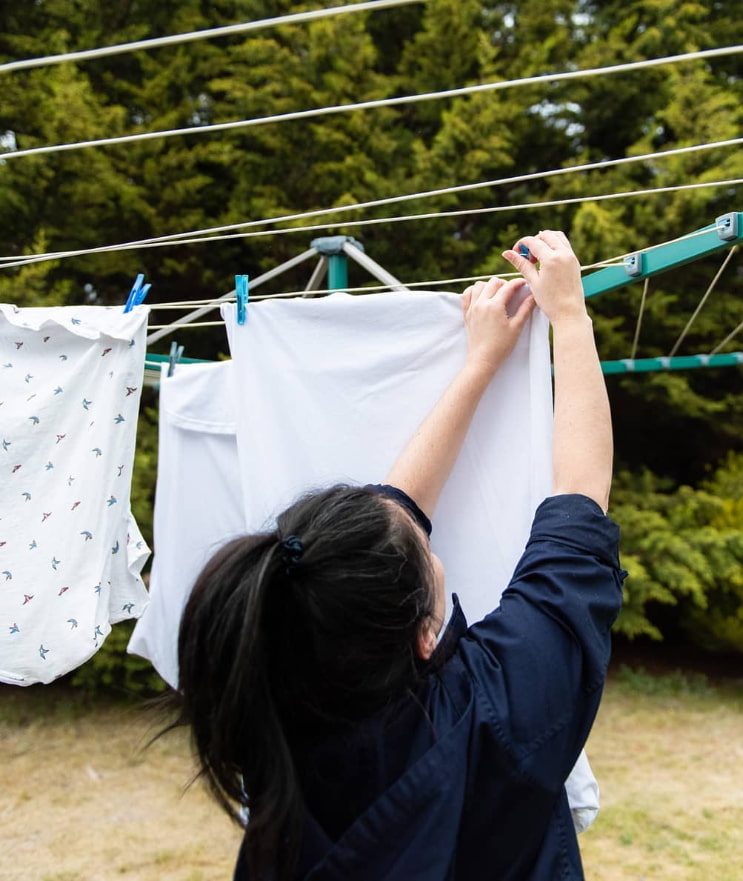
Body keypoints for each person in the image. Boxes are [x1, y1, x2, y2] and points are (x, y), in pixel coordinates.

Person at [172, 230, 625, 881]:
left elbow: (395, 512)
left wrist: (478, 363)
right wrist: (572, 317)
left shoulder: (281, 721)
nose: (420, 529)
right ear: (424, 636)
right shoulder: (492, 708)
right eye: (426, 555)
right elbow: (579, 500)